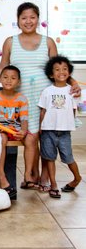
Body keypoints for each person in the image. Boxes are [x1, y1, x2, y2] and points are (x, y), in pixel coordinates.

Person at [0, 2, 81, 191]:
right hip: (21, 100)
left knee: (45, 137)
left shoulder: (48, 42)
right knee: (30, 138)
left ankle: (44, 178)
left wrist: (73, 83)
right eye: (24, 18)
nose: (28, 21)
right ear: (18, 20)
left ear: (38, 19)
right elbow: (2, 67)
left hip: (47, 100)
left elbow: (58, 68)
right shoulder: (10, 41)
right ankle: (31, 175)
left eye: (32, 17)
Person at [38, 55, 82, 199]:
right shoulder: (47, 91)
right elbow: (43, 111)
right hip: (48, 131)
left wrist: (69, 124)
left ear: (69, 73)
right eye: (57, 69)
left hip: (64, 132)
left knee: (68, 158)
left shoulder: (72, 92)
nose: (61, 72)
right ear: (51, 74)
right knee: (49, 158)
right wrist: (40, 128)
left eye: (64, 69)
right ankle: (54, 185)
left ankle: (77, 178)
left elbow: (74, 111)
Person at [0, 65, 28, 200]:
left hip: (14, 129)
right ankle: (1, 174)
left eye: (13, 78)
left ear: (18, 81)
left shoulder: (21, 98)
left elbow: (24, 120)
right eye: (5, 77)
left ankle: (21, 177)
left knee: (22, 143)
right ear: (0, 79)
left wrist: (23, 131)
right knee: (2, 138)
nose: (8, 81)